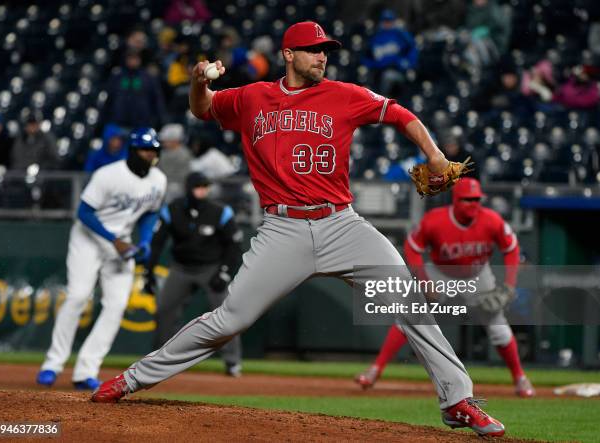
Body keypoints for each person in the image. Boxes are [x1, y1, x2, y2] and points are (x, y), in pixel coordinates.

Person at [92, 21, 505, 438]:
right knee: (229, 320)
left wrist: (433, 154)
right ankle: (132, 379)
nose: (322, 56)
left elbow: (399, 113)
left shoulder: (344, 94)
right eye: (312, 49)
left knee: (408, 300)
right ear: (288, 54)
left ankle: (457, 401)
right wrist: (198, 82)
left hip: (342, 225)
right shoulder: (253, 97)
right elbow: (202, 108)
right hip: (282, 229)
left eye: (325, 49)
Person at [355, 178, 534, 398]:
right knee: (409, 317)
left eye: (477, 199)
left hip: (477, 275)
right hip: (441, 272)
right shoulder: (436, 221)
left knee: (498, 327)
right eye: (468, 199)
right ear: (456, 200)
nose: (473, 203)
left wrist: (509, 284)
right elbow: (413, 247)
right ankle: (375, 370)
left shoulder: (492, 220)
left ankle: (520, 378)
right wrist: (424, 280)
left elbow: (512, 249)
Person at [36, 128, 167, 390]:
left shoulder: (158, 180)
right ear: (132, 151)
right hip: (88, 239)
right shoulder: (108, 175)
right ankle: (52, 363)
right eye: (144, 150)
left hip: (121, 243)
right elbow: (83, 213)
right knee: (77, 296)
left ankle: (86, 370)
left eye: (153, 150)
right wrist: (113, 240)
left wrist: (143, 241)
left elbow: (151, 213)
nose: (149, 155)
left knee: (116, 305)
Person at [145, 172, 243, 375]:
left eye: (205, 186)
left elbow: (234, 245)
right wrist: (149, 271)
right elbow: (156, 243)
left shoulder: (219, 211)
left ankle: (233, 362)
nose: (203, 190)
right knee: (164, 310)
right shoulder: (172, 210)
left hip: (211, 267)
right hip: (181, 267)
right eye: (199, 186)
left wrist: (224, 272)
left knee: (226, 314)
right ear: (189, 188)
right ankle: (158, 362)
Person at [157, 123, 192, 202]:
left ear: (175, 141)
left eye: (166, 140)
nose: (163, 142)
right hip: (162, 183)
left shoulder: (184, 154)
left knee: (172, 190)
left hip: (177, 186)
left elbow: (183, 178)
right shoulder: (162, 152)